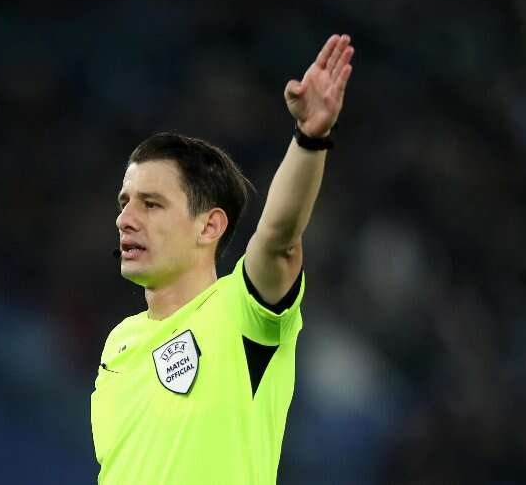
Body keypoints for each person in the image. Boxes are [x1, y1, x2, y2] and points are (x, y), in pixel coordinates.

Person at [91, 34, 354, 484]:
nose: (125, 219)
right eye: (124, 202)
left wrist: (309, 138)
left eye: (151, 204)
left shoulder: (242, 313)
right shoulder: (119, 342)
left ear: (209, 226)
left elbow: (278, 238)